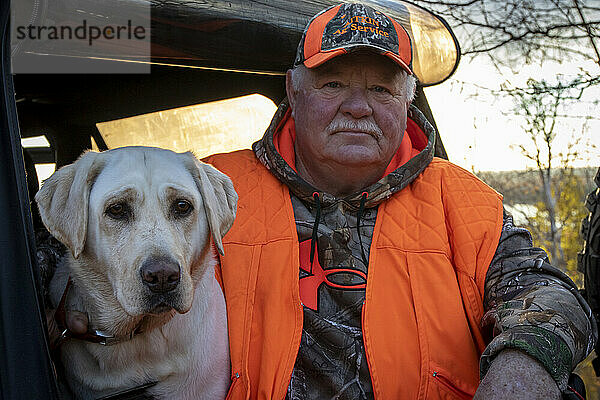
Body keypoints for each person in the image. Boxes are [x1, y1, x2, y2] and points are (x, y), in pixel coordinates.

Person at [48, 3, 596, 399]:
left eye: (381, 88)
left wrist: (521, 372)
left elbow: (552, 296)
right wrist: (69, 300)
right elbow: (72, 254)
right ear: (294, 89)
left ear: (407, 102)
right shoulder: (205, 192)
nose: (357, 106)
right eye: (333, 84)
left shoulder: (464, 202)